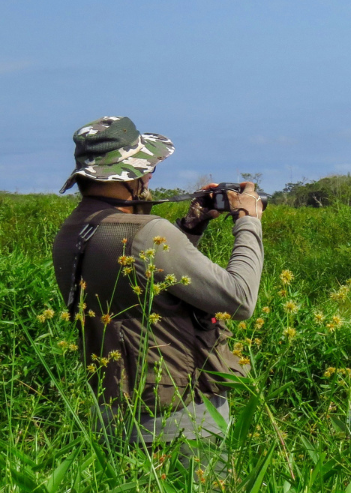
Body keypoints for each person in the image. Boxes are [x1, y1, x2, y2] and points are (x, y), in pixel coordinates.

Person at [50, 116, 264, 451]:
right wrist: (248, 222)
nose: (150, 175)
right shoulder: (146, 231)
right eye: (146, 167)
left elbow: (140, 283)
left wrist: (189, 229)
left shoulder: (72, 230)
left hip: (112, 413)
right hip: (180, 422)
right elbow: (240, 300)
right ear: (129, 174)